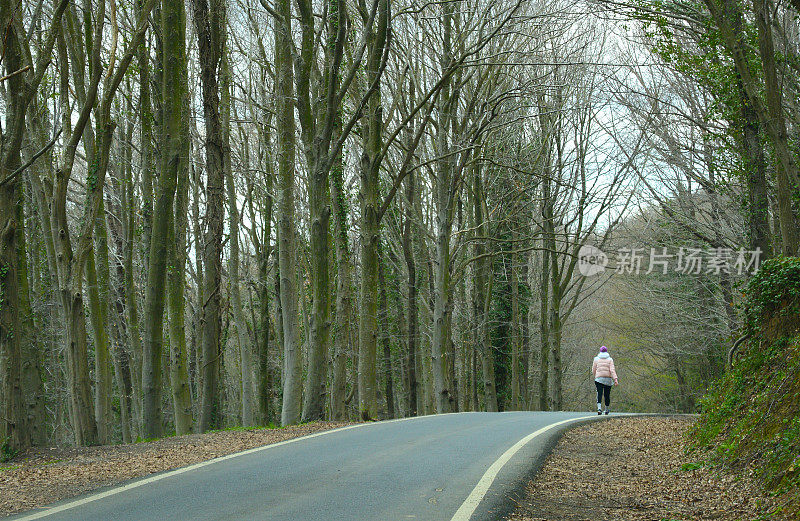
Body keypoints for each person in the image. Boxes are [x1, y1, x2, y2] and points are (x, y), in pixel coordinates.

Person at [591, 345, 618, 415]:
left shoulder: (596, 359)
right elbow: (612, 370)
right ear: (606, 351)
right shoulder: (610, 359)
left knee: (599, 393)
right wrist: (615, 379)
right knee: (607, 394)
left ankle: (599, 408)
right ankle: (606, 409)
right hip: (608, 379)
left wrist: (595, 376)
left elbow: (593, 369)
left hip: (598, 379)